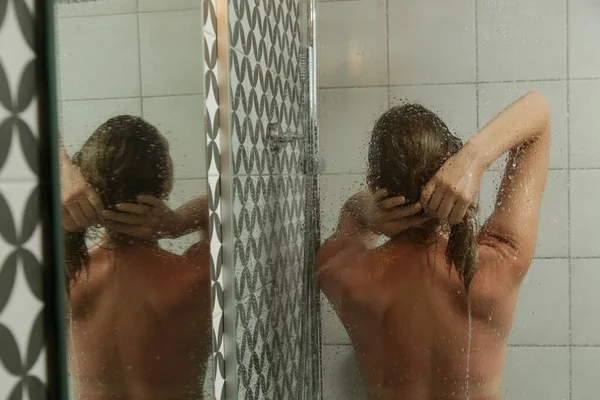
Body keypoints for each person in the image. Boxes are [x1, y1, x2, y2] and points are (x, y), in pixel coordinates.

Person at [316, 92, 551, 400]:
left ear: (373, 185)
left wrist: (367, 211)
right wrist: (474, 158)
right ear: (451, 172)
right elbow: (540, 114)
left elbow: (351, 218)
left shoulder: (342, 276)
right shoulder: (501, 263)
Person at [62, 115, 211, 400]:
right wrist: (177, 222)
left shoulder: (69, 277)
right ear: (165, 182)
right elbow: (222, 204)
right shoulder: (195, 276)